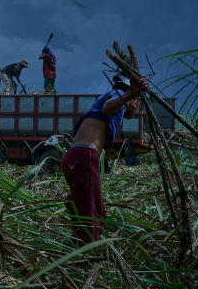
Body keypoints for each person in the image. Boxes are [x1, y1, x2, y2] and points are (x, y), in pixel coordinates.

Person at [61, 74, 147, 246]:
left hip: (76, 157)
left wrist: (134, 100)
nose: (136, 103)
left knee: (94, 209)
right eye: (135, 99)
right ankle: (91, 256)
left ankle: (80, 243)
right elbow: (108, 108)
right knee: (91, 213)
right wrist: (130, 93)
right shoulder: (115, 94)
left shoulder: (119, 105)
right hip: (84, 156)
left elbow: (127, 113)